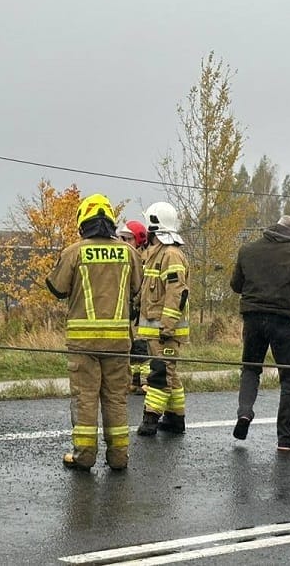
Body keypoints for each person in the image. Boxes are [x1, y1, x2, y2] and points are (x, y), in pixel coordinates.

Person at [46, 194, 143, 470]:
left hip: (83, 342)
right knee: (116, 398)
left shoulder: (74, 252)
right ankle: (119, 456)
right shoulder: (129, 252)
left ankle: (84, 456)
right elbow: (138, 287)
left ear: (83, 221)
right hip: (119, 342)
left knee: (85, 398)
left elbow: (56, 288)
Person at [229, 215, 290, 452]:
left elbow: (236, 285)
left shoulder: (247, 250)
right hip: (283, 322)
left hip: (253, 318)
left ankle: (245, 413)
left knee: (250, 369)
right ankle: (286, 437)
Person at [135, 202, 190, 437]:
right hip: (154, 329)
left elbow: (177, 292)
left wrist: (167, 326)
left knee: (159, 373)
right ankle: (176, 419)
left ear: (153, 225)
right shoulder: (155, 254)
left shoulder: (171, 255)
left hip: (166, 331)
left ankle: (150, 418)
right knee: (170, 374)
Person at [117, 219, 151, 393]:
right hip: (129, 309)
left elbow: (141, 286)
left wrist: (134, 303)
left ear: (138, 240)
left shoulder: (145, 260)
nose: (123, 243)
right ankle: (134, 381)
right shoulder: (127, 257)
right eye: (122, 238)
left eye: (128, 239)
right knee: (131, 345)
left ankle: (144, 381)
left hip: (142, 310)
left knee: (141, 345)